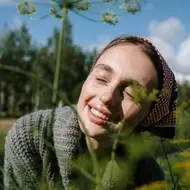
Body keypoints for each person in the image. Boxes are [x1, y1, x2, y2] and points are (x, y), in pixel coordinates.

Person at [3, 35, 178, 190]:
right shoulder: (31, 136)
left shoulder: (149, 177)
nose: (107, 97)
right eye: (101, 78)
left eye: (132, 93)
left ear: (149, 114)